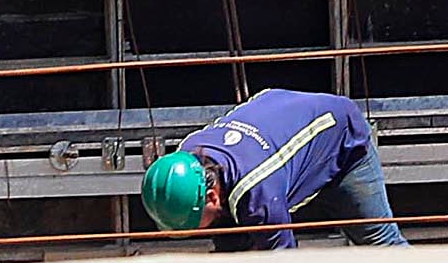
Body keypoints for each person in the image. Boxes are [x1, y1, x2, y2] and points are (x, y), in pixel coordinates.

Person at [138, 89, 409, 250]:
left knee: (381, 248)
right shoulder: (188, 151)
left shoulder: (260, 196)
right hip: (279, 119)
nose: (194, 234)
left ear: (211, 196)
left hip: (339, 135)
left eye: (192, 226)